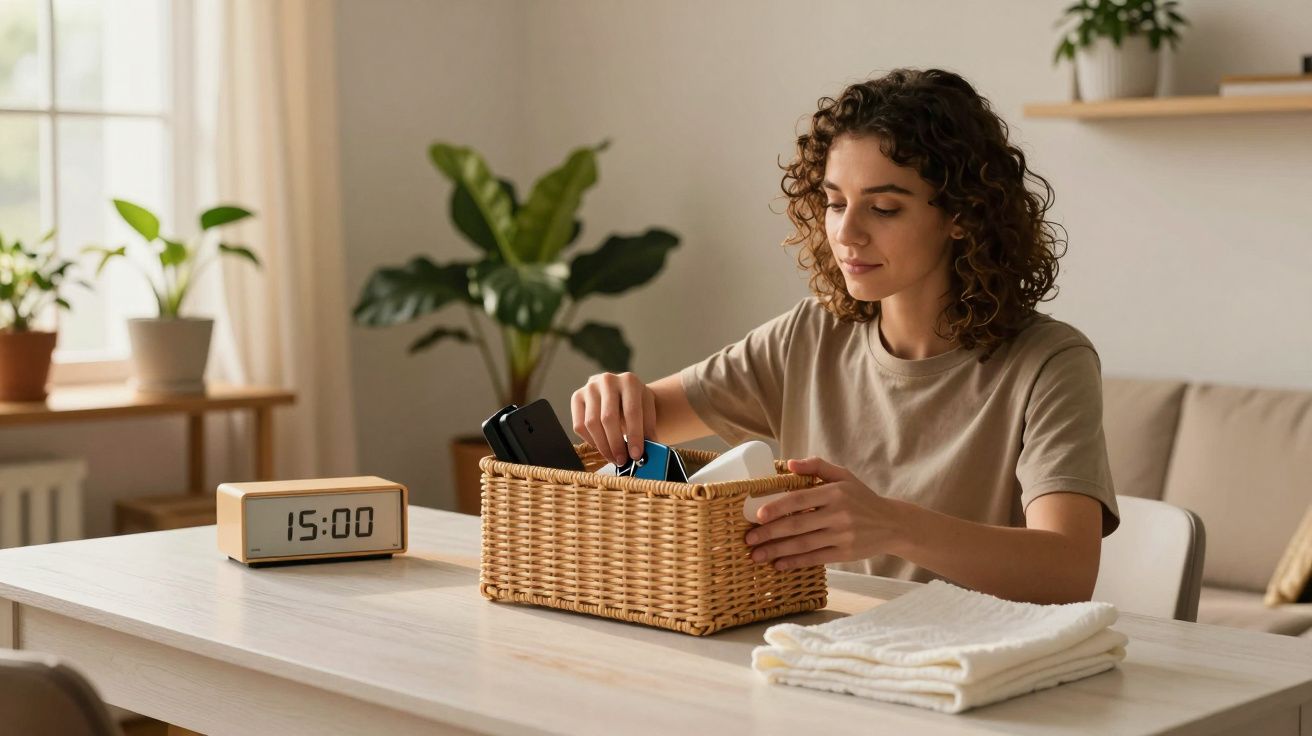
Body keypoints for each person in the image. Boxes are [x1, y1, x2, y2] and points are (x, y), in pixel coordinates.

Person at [569, 68, 1117, 605]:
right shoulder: (808, 336)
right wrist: (615, 398)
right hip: (815, 648)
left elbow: (1067, 571)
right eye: (835, 203)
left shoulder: (1049, 362)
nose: (847, 233)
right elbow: (638, 421)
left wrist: (893, 525)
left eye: (883, 208)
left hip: (969, 663)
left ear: (963, 216)